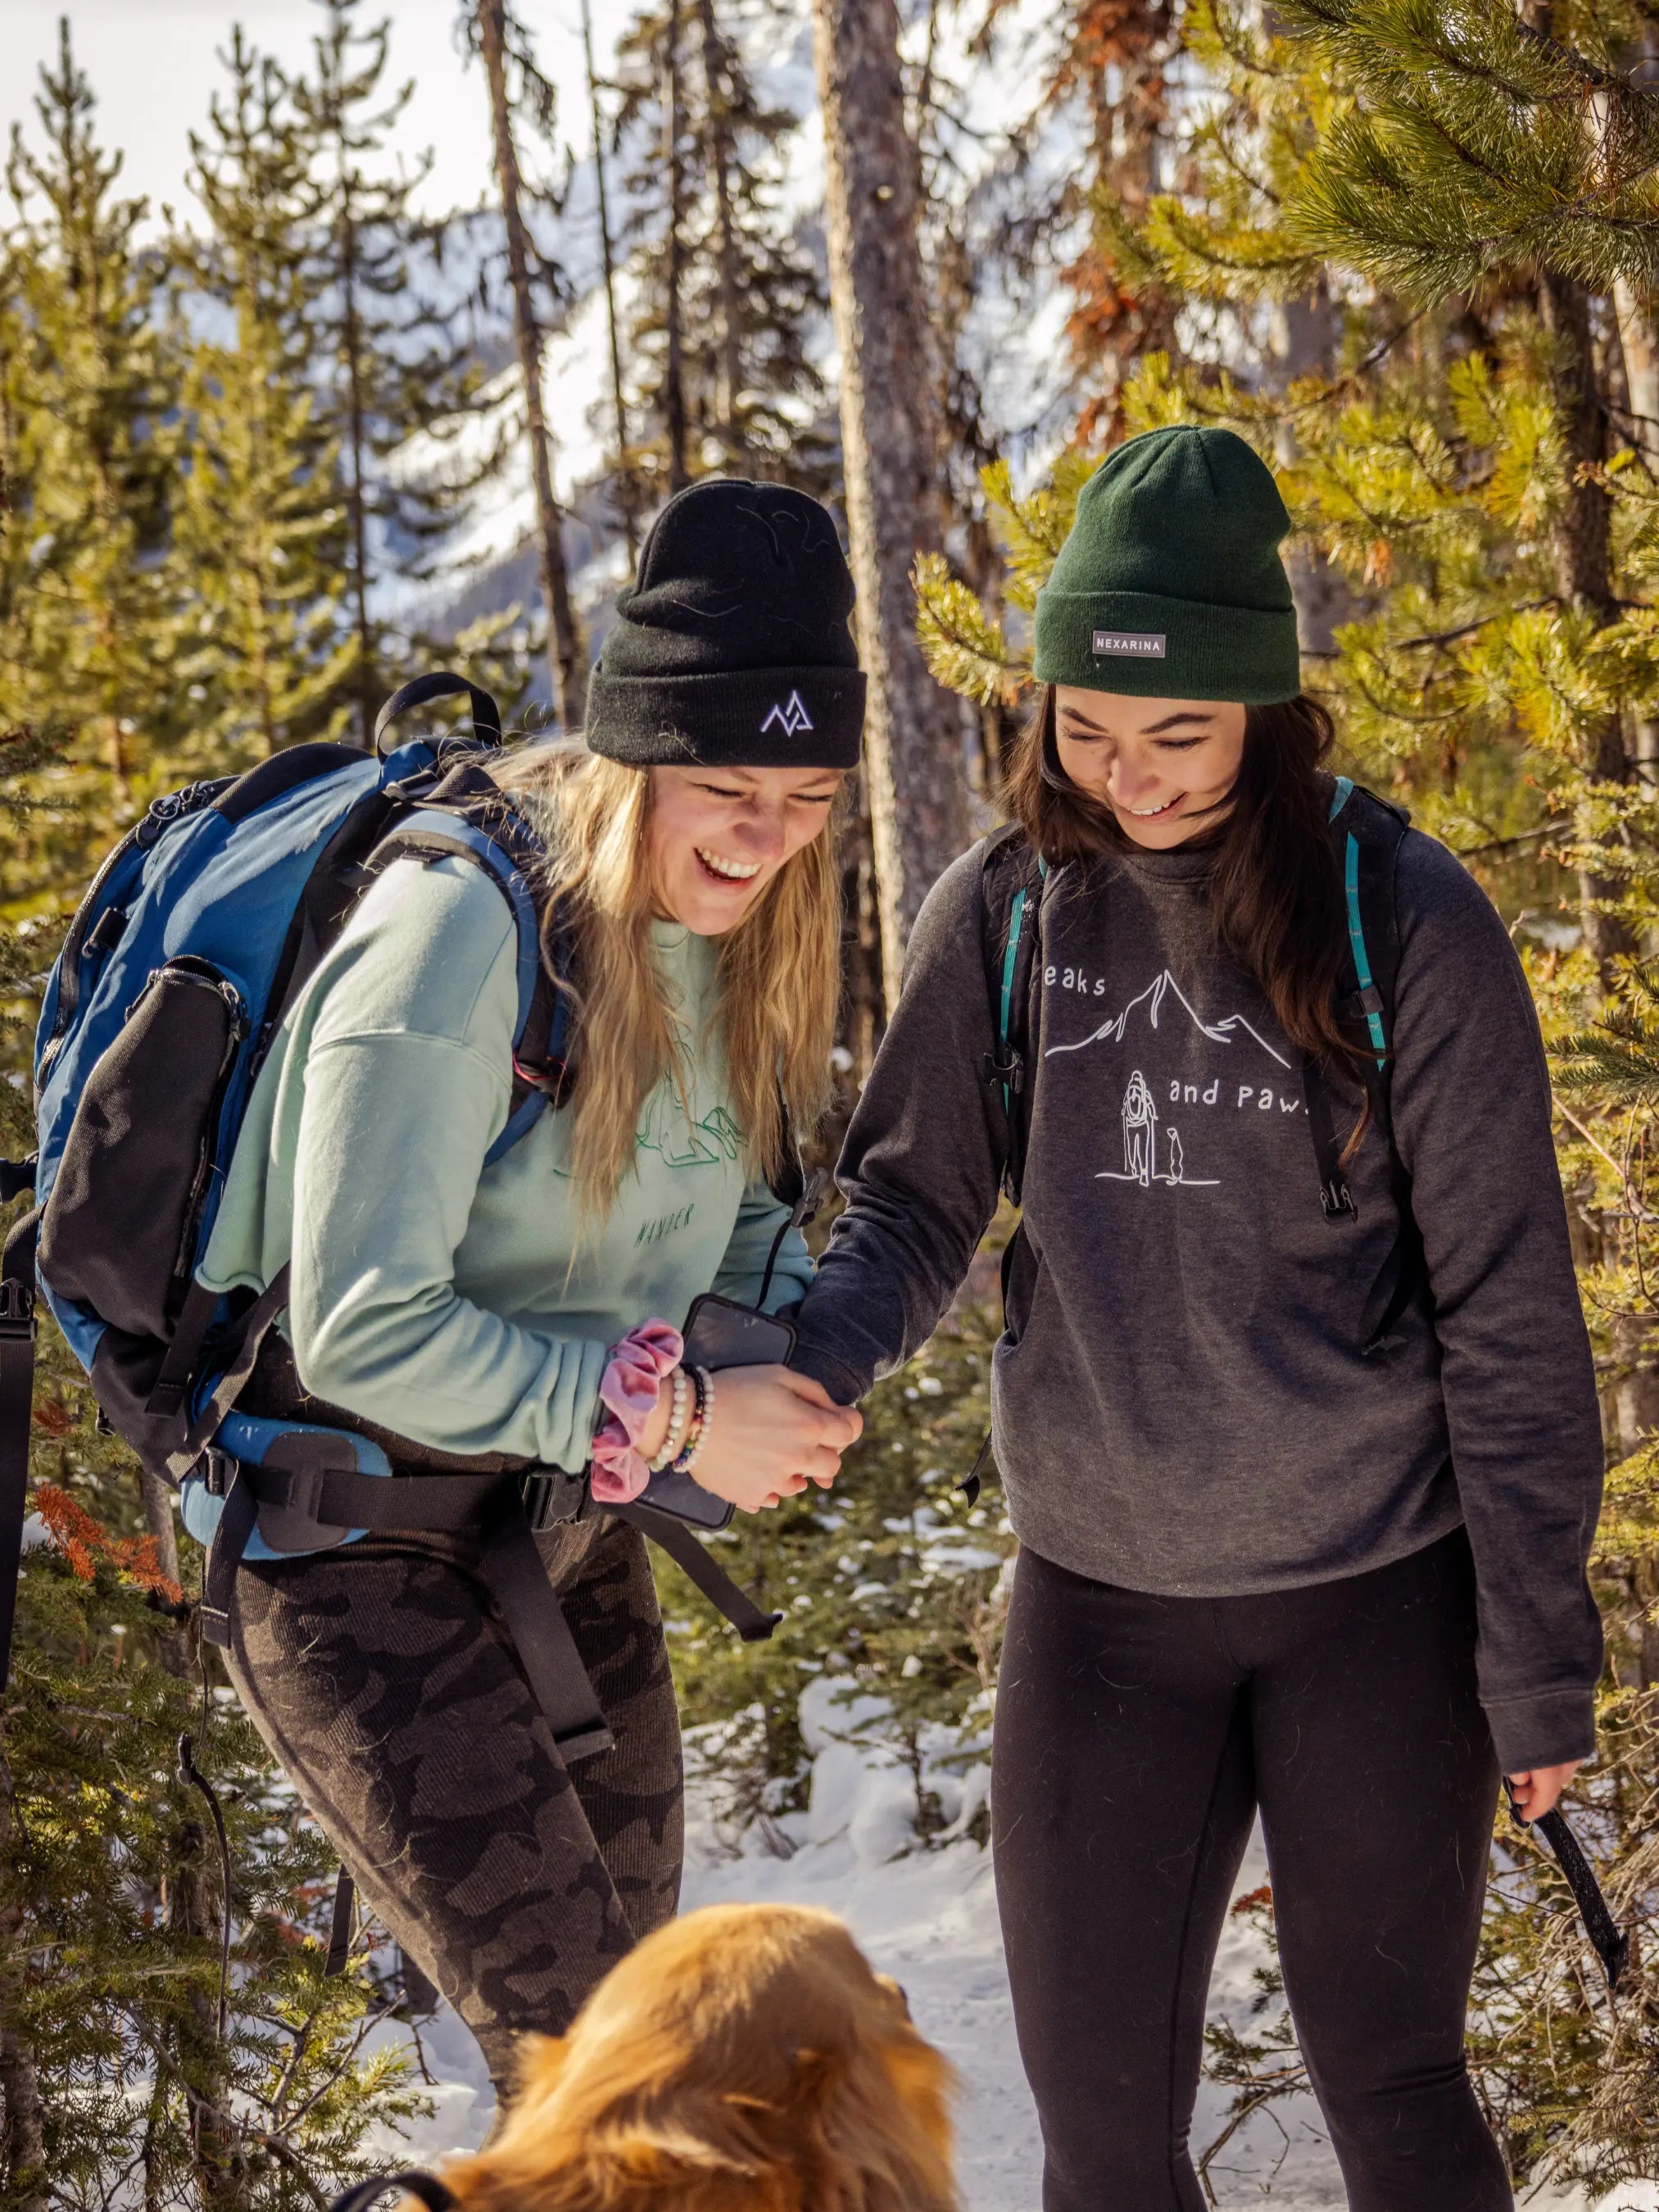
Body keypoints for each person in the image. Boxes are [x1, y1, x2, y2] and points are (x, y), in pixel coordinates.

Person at [786, 425, 1603, 2212]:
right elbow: (912, 1196)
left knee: (1392, 2093)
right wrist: (811, 1357)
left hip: (1376, 1597)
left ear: (1263, 712)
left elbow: (1506, 1311)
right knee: (1100, 2142)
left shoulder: (1404, 922)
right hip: (1097, 1610)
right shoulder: (1005, 910)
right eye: (1088, 726)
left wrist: (1535, 1651)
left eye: (1178, 734)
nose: (1129, 776)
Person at [195, 478, 864, 2093]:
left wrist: (825, 1331)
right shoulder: (453, 935)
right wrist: (691, 1414)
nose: (766, 837)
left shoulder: (712, 941)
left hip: (556, 1533)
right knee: (601, 2093)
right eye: (723, 785)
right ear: (635, 753)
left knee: (646, 2063)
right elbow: (359, 1325)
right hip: (352, 1555)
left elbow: (719, 1228)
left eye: (805, 792)